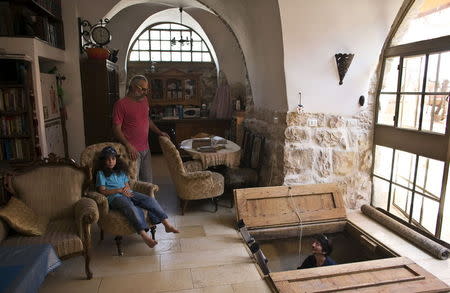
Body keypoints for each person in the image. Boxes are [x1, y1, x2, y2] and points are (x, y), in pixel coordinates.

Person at [95, 146, 179, 249]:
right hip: (115, 197)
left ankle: (166, 224)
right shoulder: (101, 173)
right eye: (108, 159)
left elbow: (126, 184)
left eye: (113, 159)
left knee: (149, 199)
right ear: (103, 161)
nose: (111, 161)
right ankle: (144, 236)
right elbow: (102, 191)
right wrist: (119, 191)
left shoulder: (120, 171)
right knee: (131, 207)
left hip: (128, 192)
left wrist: (126, 189)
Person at [112, 75, 169, 183]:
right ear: (133, 87)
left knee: (148, 182)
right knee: (133, 183)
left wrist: (159, 132)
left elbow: (147, 119)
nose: (145, 92)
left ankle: (149, 200)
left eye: (147, 89)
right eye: (143, 89)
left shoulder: (144, 100)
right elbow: (116, 129)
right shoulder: (120, 104)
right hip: (131, 151)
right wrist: (128, 146)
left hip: (145, 149)